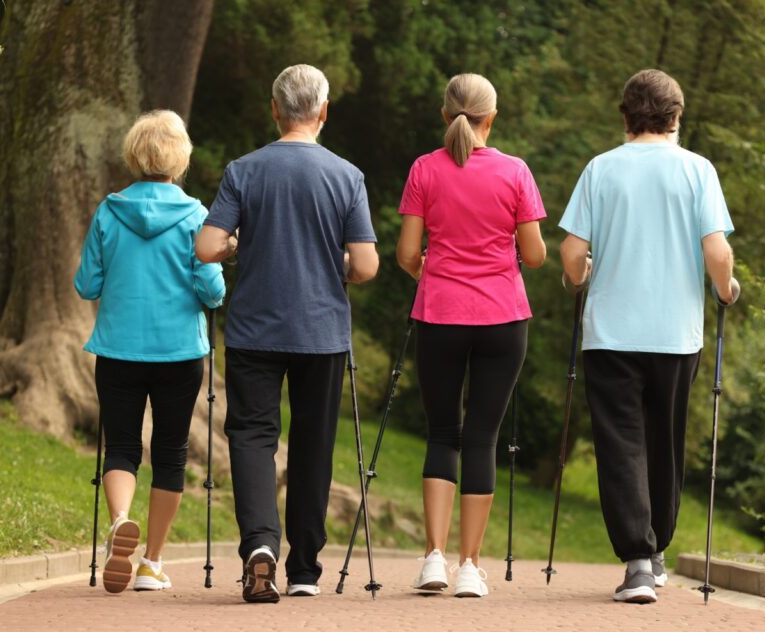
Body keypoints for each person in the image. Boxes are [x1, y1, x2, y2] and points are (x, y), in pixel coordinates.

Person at [196, 64, 379, 603]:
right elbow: (366, 266)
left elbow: (207, 247)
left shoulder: (244, 170)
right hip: (321, 330)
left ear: (274, 110)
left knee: (251, 436)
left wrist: (238, 247)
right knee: (312, 443)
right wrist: (332, 263)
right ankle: (304, 568)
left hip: (255, 328)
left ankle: (260, 546)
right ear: (323, 113)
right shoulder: (346, 176)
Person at [558, 69, 736, 604]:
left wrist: (580, 276)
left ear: (625, 116)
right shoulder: (697, 170)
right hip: (676, 334)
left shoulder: (600, 169)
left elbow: (571, 253)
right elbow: (718, 252)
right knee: (665, 440)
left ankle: (638, 560)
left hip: (611, 334)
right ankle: (656, 552)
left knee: (621, 445)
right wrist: (726, 289)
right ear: (676, 117)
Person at [396, 73, 547, 598]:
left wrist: (436, 275)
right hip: (503, 319)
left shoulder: (423, 170)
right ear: (492, 117)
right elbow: (534, 255)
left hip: (439, 316)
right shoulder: (515, 172)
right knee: (481, 436)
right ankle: (469, 566)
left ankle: (433, 558)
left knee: (442, 434)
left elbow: (406, 255)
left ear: (446, 115)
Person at [74, 110, 226, 594]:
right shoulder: (196, 216)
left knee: (120, 445)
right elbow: (211, 291)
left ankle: (120, 520)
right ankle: (151, 563)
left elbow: (87, 284)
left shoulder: (108, 210)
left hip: (118, 347)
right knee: (171, 454)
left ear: (134, 154)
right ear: (180, 158)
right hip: (179, 351)